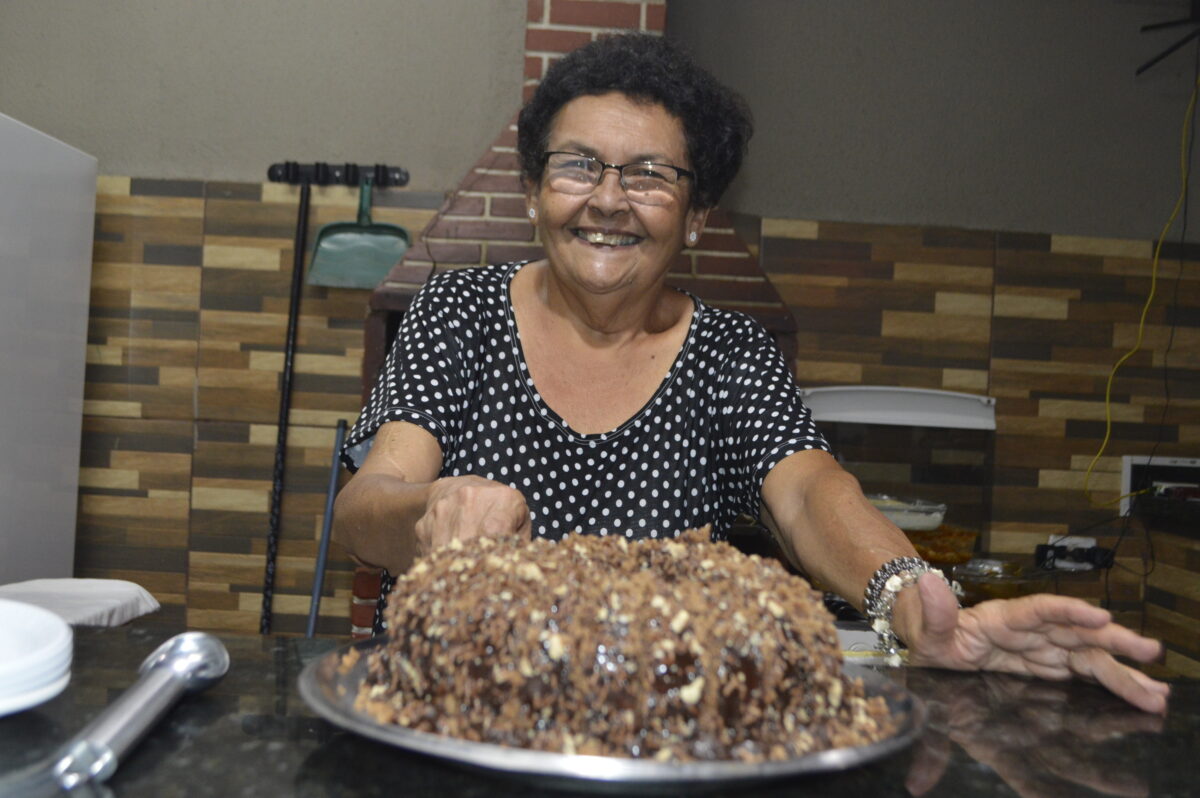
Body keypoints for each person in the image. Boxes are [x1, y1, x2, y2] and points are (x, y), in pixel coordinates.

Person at [333, 33, 1170, 715]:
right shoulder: (458, 314)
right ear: (533, 189)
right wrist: (428, 513)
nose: (609, 200)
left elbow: (810, 493)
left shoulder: (730, 354)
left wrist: (913, 602)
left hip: (665, 732)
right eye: (578, 164)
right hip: (455, 713)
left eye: (651, 176)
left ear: (697, 217)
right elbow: (367, 505)